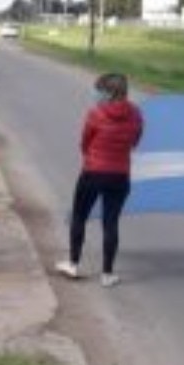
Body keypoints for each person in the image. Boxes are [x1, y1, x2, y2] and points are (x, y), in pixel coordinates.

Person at [55, 73, 143, 288]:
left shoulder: (96, 114)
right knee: (110, 222)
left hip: (93, 172)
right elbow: (135, 141)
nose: (95, 94)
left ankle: (73, 263)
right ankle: (107, 274)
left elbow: (85, 142)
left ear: (108, 92)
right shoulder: (136, 114)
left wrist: (91, 155)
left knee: (79, 216)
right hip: (120, 175)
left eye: (98, 90)